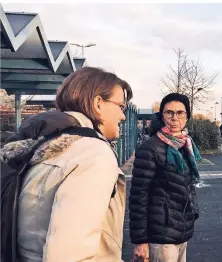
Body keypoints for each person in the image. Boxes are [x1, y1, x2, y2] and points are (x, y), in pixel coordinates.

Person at [1, 67, 133, 261]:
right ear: (98, 103)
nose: (122, 116)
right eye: (120, 106)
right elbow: (70, 254)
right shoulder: (92, 154)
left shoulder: (44, 145)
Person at [129, 93, 202, 262]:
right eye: (169, 113)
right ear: (162, 116)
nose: (174, 118)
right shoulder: (150, 148)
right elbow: (139, 195)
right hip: (161, 236)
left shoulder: (184, 144)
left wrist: (193, 210)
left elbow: (188, 183)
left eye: (180, 113)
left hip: (182, 231)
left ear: (187, 117)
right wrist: (140, 240)